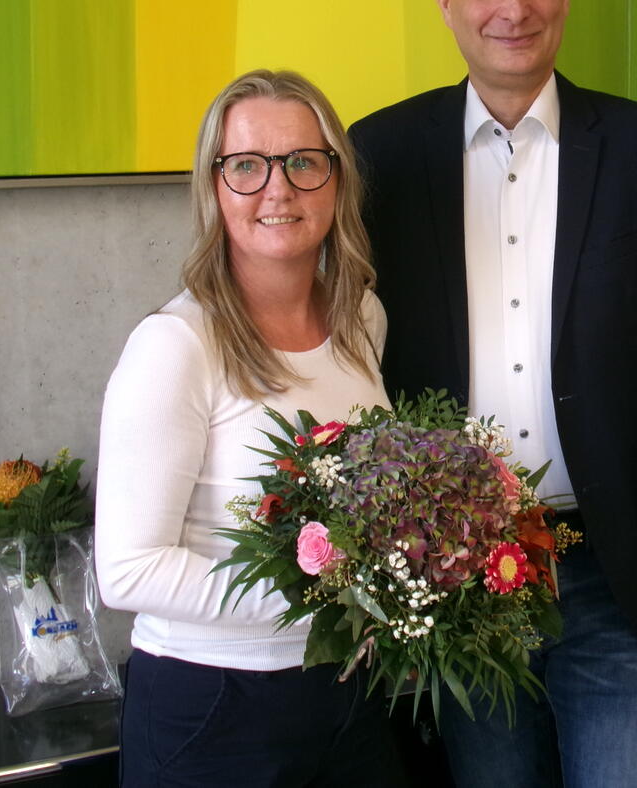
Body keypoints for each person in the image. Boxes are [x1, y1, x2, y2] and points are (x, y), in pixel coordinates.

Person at [348, 0, 637, 786]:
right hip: (457, 581)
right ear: (446, 1)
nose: (512, 7)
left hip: (616, 576)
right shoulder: (378, 157)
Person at [96, 70, 403, 787]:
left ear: (337, 180)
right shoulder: (176, 345)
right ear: (214, 187)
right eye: (247, 166)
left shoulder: (363, 319)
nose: (279, 189)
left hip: (346, 694)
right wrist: (325, 596)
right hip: (213, 711)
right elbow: (126, 570)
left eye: (304, 161)